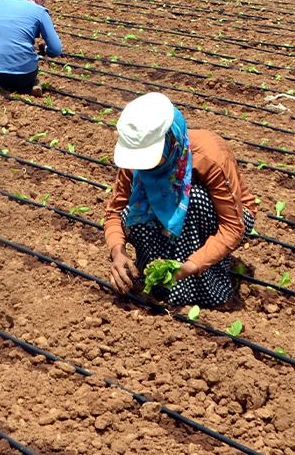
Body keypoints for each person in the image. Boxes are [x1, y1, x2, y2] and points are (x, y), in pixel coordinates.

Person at [103, 92, 254, 308]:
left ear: (170, 140)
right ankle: (157, 277)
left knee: (193, 199)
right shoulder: (134, 161)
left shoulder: (209, 155)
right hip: (168, 217)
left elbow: (233, 226)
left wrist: (192, 265)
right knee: (133, 211)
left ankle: (204, 287)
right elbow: (114, 213)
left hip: (225, 218)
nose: (144, 166)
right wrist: (117, 252)